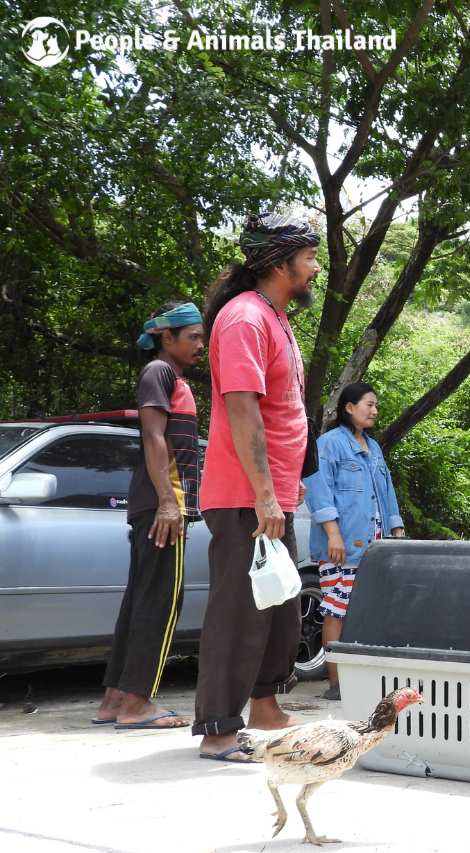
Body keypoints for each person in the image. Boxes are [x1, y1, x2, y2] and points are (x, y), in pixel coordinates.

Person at [191, 213, 320, 761]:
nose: (316, 268)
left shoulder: (274, 316)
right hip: (245, 496)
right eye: (309, 258)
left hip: (273, 496)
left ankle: (265, 706)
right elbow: (241, 409)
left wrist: (285, 491)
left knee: (281, 603)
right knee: (239, 610)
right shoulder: (244, 319)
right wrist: (264, 494)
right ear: (280, 263)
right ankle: (219, 728)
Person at [94, 301, 204, 730]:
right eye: (192, 337)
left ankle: (114, 698)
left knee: (141, 601)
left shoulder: (169, 377)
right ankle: (138, 704)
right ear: (166, 337)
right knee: (161, 601)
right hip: (162, 506)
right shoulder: (159, 372)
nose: (200, 345)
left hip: (155, 505)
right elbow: (153, 438)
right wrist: (168, 501)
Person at [303, 382, 406, 701]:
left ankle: (363, 679)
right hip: (342, 546)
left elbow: (386, 491)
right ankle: (336, 685)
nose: (374, 411)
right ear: (349, 407)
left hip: (375, 546)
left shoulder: (373, 447)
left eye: (376, 405)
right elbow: (317, 489)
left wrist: (397, 529)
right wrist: (333, 533)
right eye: (369, 404)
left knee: (368, 611)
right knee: (337, 611)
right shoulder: (329, 444)